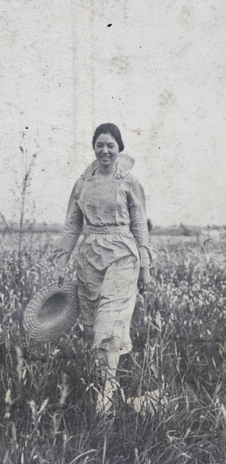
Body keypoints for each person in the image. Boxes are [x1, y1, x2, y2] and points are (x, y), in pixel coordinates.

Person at [52, 123, 152, 413]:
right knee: (94, 325)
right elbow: (72, 224)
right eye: (100, 145)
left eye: (111, 145)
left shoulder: (130, 182)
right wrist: (61, 262)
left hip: (123, 255)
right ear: (93, 147)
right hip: (89, 258)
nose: (105, 150)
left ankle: (105, 396)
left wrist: (145, 267)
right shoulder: (82, 184)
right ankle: (105, 385)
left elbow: (139, 225)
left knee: (110, 322)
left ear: (119, 147)